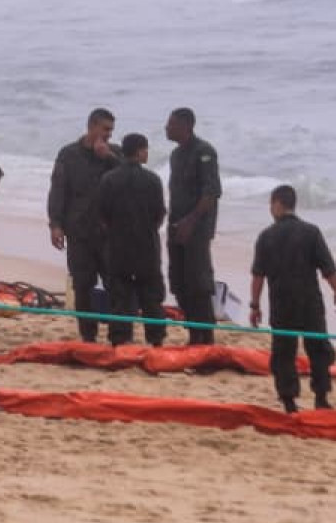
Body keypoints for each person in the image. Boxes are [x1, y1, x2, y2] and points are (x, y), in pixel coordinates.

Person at [249, 185, 336, 413]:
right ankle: (321, 397)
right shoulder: (311, 232)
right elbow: (328, 268)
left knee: (284, 353)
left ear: (279, 204)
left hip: (282, 302)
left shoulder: (266, 236)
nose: (270, 209)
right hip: (309, 301)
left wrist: (255, 305)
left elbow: (258, 275)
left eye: (272, 204)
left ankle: (289, 401)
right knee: (318, 350)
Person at [46, 107, 121, 342]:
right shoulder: (69, 154)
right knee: (82, 285)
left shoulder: (116, 154)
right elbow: (58, 189)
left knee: (116, 285)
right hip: (78, 231)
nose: (109, 134)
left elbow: (133, 180)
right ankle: (88, 336)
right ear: (92, 126)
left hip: (110, 233)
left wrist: (108, 157)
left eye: (111, 130)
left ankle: (117, 335)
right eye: (105, 129)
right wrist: (55, 225)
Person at [95, 133, 169, 346]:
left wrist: (115, 231)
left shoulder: (109, 179)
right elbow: (159, 215)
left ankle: (120, 339)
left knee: (120, 297)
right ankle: (155, 339)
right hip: (147, 246)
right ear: (139, 151)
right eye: (146, 149)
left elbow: (102, 215)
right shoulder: (153, 180)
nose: (147, 153)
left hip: (118, 246)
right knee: (151, 297)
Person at [165, 107, 222, 345]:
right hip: (176, 225)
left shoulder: (205, 152)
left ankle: (205, 337)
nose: (166, 128)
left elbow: (211, 193)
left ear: (186, 126)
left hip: (197, 229)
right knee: (178, 282)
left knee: (198, 283)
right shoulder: (176, 155)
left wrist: (191, 221)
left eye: (171, 124)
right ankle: (192, 334)